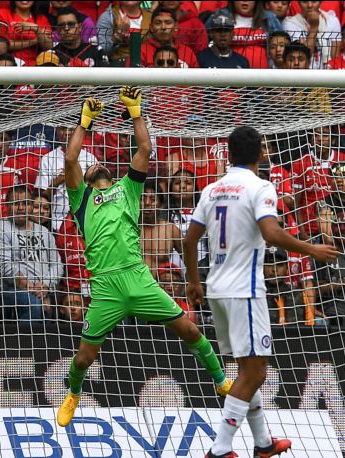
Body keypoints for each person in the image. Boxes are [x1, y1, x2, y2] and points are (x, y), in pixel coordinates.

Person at [57, 87, 232, 428]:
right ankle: (74, 393)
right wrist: (85, 121)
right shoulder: (81, 199)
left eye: (98, 168)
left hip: (138, 277)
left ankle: (221, 380)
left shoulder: (128, 189)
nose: (95, 168)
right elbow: (69, 159)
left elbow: (145, 148)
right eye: (91, 170)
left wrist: (136, 112)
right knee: (83, 358)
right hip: (105, 285)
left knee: (190, 330)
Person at [183, 125, 338, 458]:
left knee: (244, 370)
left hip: (216, 288)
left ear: (229, 152)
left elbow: (190, 239)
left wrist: (194, 280)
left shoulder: (212, 189)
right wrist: (310, 247)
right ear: (261, 154)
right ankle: (220, 450)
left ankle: (263, 443)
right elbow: (270, 232)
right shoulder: (261, 187)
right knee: (255, 372)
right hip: (246, 290)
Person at [0, 185, 63, 326]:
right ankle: (23, 345)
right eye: (15, 203)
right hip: (4, 293)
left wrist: (45, 287)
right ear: (6, 206)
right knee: (32, 302)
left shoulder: (44, 232)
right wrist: (35, 292)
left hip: (40, 291)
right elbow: (6, 270)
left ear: (31, 206)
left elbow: (57, 264)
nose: (21, 208)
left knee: (53, 305)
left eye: (25, 203)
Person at [35, 125, 98, 231]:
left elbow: (98, 191)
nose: (67, 133)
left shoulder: (90, 158)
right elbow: (40, 199)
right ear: (56, 130)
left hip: (86, 222)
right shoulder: (47, 159)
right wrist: (56, 182)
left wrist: (75, 178)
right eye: (63, 129)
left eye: (72, 129)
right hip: (57, 224)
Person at [206, 1, 283, 69]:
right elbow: (203, 42)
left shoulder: (269, 18)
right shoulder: (219, 16)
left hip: (264, 79)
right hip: (227, 76)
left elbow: (282, 44)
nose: (245, 1)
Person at [282, 0, 342, 69]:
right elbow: (302, 55)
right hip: (304, 74)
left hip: (328, 72)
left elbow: (335, 57)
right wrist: (314, 28)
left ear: (320, 2)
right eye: (305, 2)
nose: (310, 5)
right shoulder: (290, 23)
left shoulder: (332, 21)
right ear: (298, 3)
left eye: (314, 1)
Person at [0, 1, 53, 66]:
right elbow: (1, 45)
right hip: (9, 65)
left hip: (36, 67)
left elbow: (49, 47)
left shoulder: (42, 19)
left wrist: (36, 29)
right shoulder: (3, 13)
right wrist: (35, 41)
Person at [141, 180, 180, 271]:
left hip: (160, 285)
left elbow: (190, 260)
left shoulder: (170, 229)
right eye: (142, 199)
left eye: (153, 199)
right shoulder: (127, 228)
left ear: (161, 205)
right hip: (132, 284)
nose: (147, 203)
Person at [263, 247, 306, 325]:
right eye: (270, 263)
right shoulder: (257, 295)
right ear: (262, 268)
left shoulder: (297, 294)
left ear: (287, 269)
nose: (274, 269)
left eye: (279, 264)